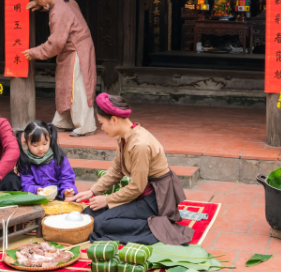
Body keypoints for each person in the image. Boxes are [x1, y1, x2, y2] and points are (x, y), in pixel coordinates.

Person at [71, 94, 193, 245]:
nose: (101, 128)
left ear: (114, 120)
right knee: (89, 214)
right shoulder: (123, 135)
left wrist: (108, 199)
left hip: (155, 199)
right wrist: (93, 191)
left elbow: (137, 187)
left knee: (100, 224)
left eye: (102, 123)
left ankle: (159, 227)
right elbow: (117, 169)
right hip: (141, 193)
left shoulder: (140, 145)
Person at [21, 0, 97, 137]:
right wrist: (39, 5)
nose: (38, 2)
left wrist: (34, 52)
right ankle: (63, 122)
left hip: (76, 50)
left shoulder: (59, 11)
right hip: (74, 48)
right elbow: (51, 5)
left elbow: (55, 43)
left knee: (77, 89)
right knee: (66, 87)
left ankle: (85, 126)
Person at [17, 120, 77, 198]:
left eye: (44, 144)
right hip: (37, 198)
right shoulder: (26, 162)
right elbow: (26, 183)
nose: (41, 148)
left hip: (60, 195)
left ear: (50, 139)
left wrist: (66, 190)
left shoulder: (58, 157)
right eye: (35, 145)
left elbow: (67, 177)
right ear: (26, 144)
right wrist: (35, 190)